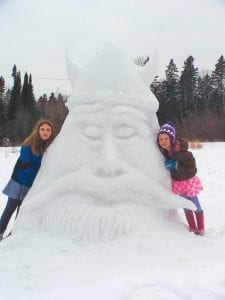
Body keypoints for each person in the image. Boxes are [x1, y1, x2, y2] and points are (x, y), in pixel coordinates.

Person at [0, 119, 55, 240]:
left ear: (52, 132)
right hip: (19, 182)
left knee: (23, 211)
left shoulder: (51, 147)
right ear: (38, 130)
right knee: (10, 208)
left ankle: (14, 234)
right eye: (42, 129)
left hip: (32, 186)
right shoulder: (28, 144)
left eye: (48, 130)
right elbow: (27, 164)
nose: (45, 132)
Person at [157, 122, 205, 236]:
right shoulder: (165, 152)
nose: (163, 141)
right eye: (161, 139)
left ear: (172, 139)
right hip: (177, 183)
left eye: (166, 138)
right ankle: (193, 228)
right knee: (185, 205)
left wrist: (177, 167)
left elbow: (192, 169)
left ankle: (201, 228)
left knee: (195, 204)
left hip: (188, 182)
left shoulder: (183, 153)